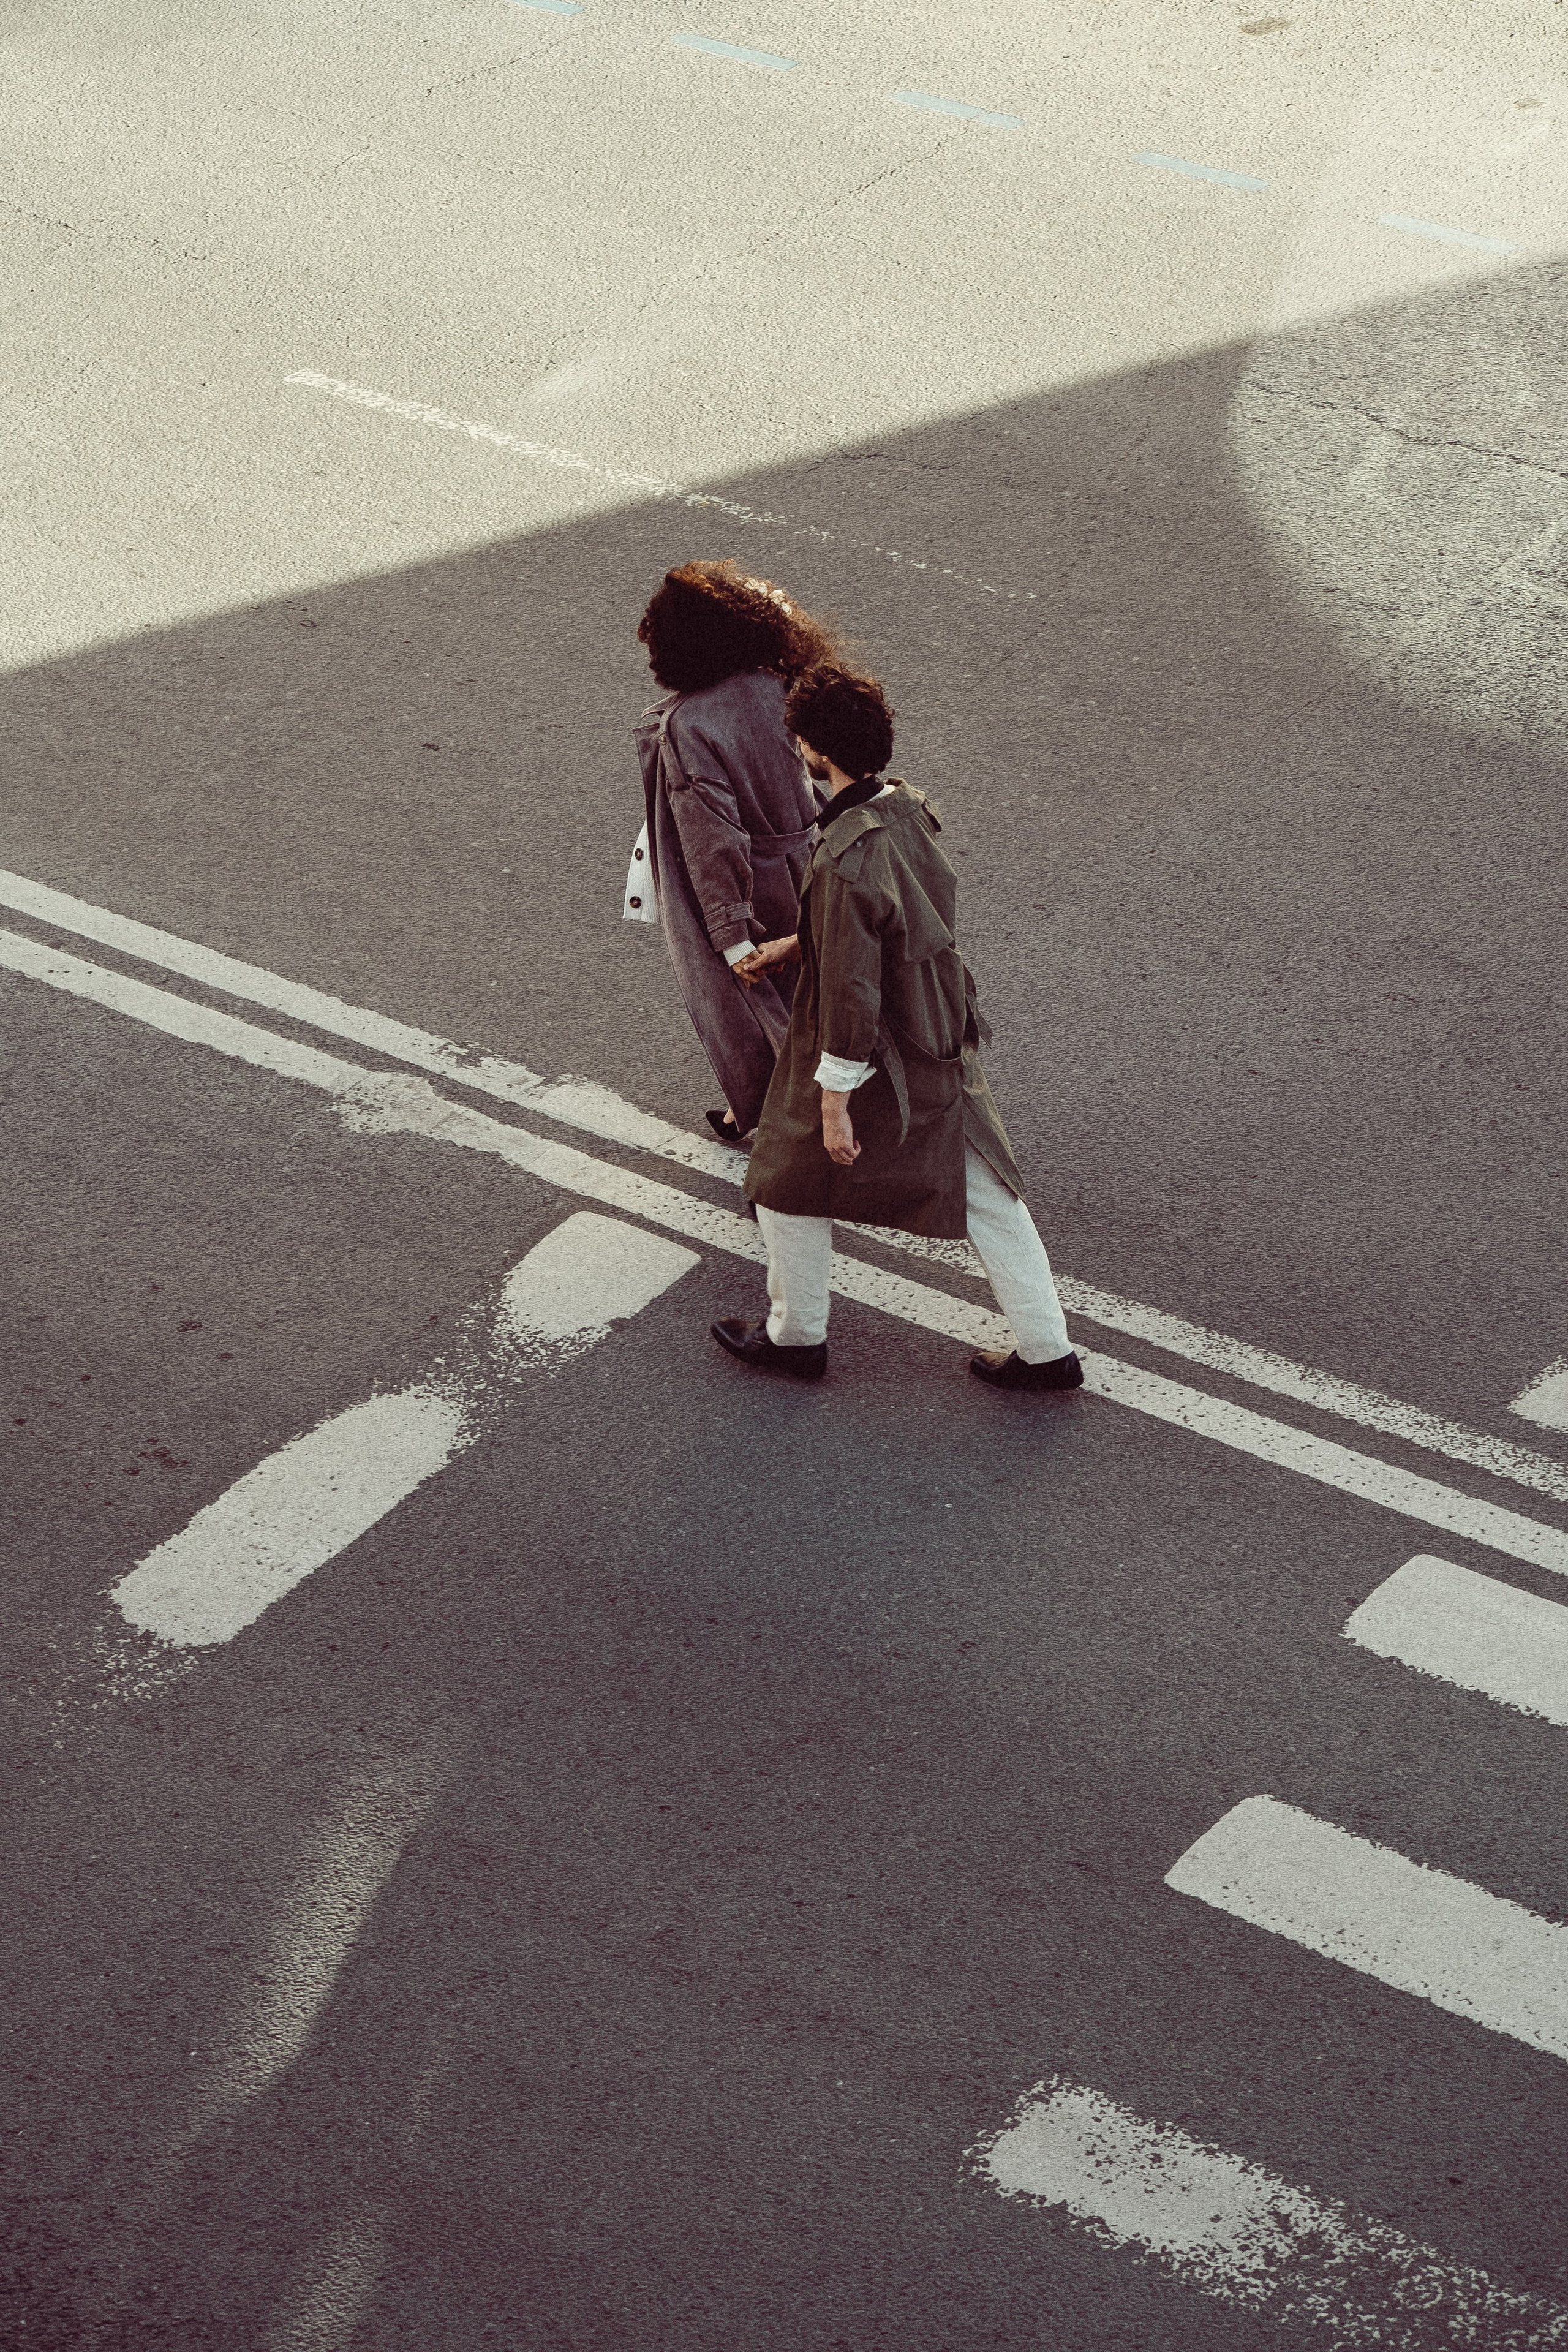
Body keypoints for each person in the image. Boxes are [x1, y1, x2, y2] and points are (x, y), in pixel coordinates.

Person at [713, 665, 1082, 1393]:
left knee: (787, 1177)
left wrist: (833, 1100)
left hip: (878, 1043)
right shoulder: (904, 809)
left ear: (815, 748)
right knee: (985, 1188)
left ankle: (797, 1339)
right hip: (938, 1022)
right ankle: (1047, 1348)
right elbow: (897, 915)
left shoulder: (849, 855)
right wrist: (803, 940)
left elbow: (852, 990)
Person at [633, 561, 842, 1146]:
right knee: (817, 1001)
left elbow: (713, 834)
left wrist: (731, 936)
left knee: (759, 1017)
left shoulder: (690, 725)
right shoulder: (773, 683)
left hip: (752, 888)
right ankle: (746, 1110)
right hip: (812, 863)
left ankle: (787, 1162)